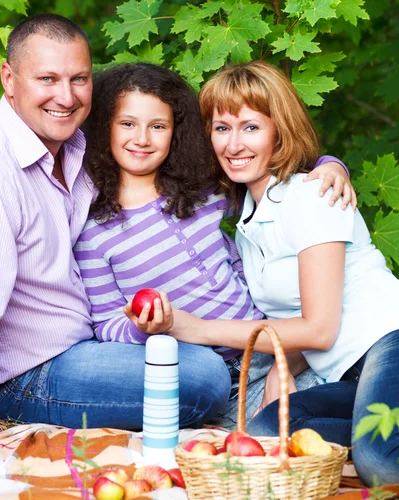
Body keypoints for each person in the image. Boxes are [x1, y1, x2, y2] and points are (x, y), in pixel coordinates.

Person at [0, 15, 231, 472]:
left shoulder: (74, 144)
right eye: (47, 79)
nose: (65, 97)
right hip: (28, 373)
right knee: (202, 377)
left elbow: (187, 158)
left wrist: (325, 166)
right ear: (9, 79)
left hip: (89, 341)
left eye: (79, 79)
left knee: (192, 362)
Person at [75, 62, 355, 424]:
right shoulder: (94, 232)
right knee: (271, 441)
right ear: (104, 128)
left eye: (157, 126)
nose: (142, 138)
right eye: (127, 123)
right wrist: (141, 328)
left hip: (276, 354)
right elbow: (106, 323)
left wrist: (332, 165)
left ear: (175, 132)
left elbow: (272, 164)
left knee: (346, 420)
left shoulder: (204, 189)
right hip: (208, 379)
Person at [165, 60, 399, 485]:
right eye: (222, 128)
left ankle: (375, 448)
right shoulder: (248, 223)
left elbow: (319, 329)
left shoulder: (312, 197)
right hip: (349, 371)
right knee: (265, 433)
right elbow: (302, 322)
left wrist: (196, 328)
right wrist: (281, 364)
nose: (234, 144)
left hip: (389, 343)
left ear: (280, 131)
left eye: (251, 127)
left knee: (381, 462)